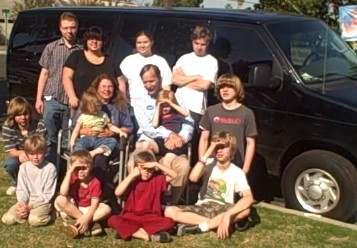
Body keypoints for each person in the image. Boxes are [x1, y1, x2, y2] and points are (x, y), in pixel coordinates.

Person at [164, 131, 254, 239]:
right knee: (169, 211)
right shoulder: (208, 163)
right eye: (217, 147)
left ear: (232, 150)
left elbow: (249, 198)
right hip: (203, 206)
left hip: (223, 207)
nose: (219, 150)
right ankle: (217, 224)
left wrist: (228, 215)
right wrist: (209, 150)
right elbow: (193, 177)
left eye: (223, 147)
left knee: (246, 210)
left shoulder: (237, 172)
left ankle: (202, 226)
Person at [130, 64, 193, 204]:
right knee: (137, 159)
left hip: (174, 146)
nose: (148, 85)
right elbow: (147, 127)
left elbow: (188, 122)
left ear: (160, 78)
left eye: (151, 81)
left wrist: (181, 138)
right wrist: (169, 134)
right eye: (145, 82)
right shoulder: (140, 103)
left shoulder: (176, 99)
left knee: (182, 165)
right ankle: (141, 201)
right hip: (150, 142)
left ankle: (170, 204)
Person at [35, 12, 80, 163]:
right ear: (60, 29)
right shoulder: (51, 48)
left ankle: (64, 170)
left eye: (72, 27)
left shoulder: (80, 50)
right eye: (66, 28)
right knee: (50, 136)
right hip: (52, 97)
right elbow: (44, 74)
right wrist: (38, 99)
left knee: (68, 137)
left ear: (77, 27)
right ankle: (50, 165)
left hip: (71, 101)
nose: (69, 31)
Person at [171, 25, 218, 164]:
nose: (199, 47)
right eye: (196, 43)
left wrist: (184, 79)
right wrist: (195, 77)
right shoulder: (184, 58)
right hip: (178, 104)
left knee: (193, 141)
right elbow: (173, 79)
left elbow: (205, 85)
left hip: (196, 108)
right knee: (178, 140)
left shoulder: (211, 61)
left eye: (203, 44)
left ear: (208, 44)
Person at [108, 151, 176, 242]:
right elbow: (117, 192)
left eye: (150, 170)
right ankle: (147, 236)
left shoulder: (157, 179)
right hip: (131, 216)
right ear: (137, 168)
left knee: (169, 223)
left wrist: (156, 164)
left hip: (151, 217)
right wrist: (132, 174)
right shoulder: (133, 180)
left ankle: (130, 232)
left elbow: (174, 175)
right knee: (112, 220)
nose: (147, 172)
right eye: (144, 168)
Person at [199, 73, 257, 174]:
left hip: (235, 165)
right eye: (221, 87)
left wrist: (245, 169)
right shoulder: (211, 111)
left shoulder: (247, 113)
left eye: (229, 86)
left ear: (237, 89)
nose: (225, 90)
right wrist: (202, 163)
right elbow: (204, 139)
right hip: (213, 165)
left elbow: (250, 143)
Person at [1, 135, 57, 226]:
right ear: (26, 154)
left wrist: (30, 206)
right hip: (27, 201)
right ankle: (26, 213)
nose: (35, 157)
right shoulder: (23, 167)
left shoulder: (50, 168)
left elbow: (48, 194)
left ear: (45, 152)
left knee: (34, 220)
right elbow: (22, 189)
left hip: (42, 201)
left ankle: (51, 214)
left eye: (39, 153)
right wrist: (22, 204)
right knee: (8, 219)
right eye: (32, 154)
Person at [54, 150, 111, 238]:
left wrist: (87, 217)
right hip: (73, 207)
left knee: (107, 209)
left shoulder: (95, 182)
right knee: (60, 199)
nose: (81, 171)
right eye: (77, 168)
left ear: (91, 167)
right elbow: (63, 193)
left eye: (84, 168)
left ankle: (76, 223)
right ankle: (90, 224)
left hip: (88, 209)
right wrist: (69, 173)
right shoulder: (72, 176)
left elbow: (94, 204)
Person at [62, 26, 122, 109]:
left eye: (98, 39)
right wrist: (72, 96)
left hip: (106, 107)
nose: (94, 41)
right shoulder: (77, 56)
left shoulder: (110, 61)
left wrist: (121, 100)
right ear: (86, 41)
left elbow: (121, 82)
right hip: (80, 105)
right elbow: (66, 77)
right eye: (90, 39)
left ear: (103, 42)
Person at [2, 97, 47, 195]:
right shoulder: (8, 126)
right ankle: (16, 183)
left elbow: (40, 145)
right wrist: (21, 153)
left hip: (37, 153)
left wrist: (29, 153)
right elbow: (10, 149)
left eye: (25, 114)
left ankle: (36, 184)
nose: (23, 117)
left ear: (30, 113)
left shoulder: (39, 124)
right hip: (19, 154)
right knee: (10, 164)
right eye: (19, 115)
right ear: (13, 116)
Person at [119, 30, 171, 106]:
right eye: (139, 43)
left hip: (155, 105)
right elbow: (120, 82)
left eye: (145, 42)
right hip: (134, 106)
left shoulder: (160, 61)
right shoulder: (128, 60)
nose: (142, 45)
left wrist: (164, 104)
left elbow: (166, 86)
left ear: (151, 42)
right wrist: (124, 101)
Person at [70, 90, 128, 158]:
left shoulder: (103, 115)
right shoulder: (83, 116)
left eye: (98, 106)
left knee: (113, 141)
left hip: (100, 138)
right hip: (86, 138)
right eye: (93, 107)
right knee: (79, 144)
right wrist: (72, 143)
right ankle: (80, 158)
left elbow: (111, 126)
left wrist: (120, 131)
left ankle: (93, 153)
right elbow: (76, 131)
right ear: (86, 106)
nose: (96, 109)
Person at [151, 89, 190, 167]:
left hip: (175, 143)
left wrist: (171, 103)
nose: (165, 108)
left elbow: (187, 114)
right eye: (163, 106)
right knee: (147, 146)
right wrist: (158, 106)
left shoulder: (176, 114)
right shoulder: (159, 116)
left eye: (167, 106)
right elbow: (154, 125)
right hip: (163, 141)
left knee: (166, 161)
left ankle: (168, 178)